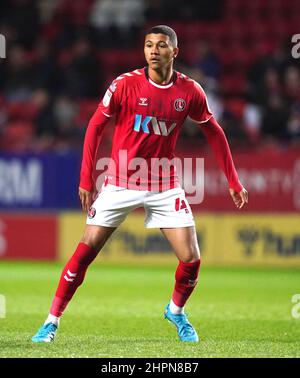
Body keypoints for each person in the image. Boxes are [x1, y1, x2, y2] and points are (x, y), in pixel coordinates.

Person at [32, 25, 248, 343]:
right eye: (148, 45)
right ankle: (51, 322)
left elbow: (214, 131)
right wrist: (86, 177)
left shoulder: (190, 91)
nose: (153, 50)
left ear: (174, 52)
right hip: (120, 181)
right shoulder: (125, 85)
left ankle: (175, 311)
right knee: (84, 253)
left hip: (164, 184)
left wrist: (233, 179)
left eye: (161, 45)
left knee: (191, 258)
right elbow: (95, 125)